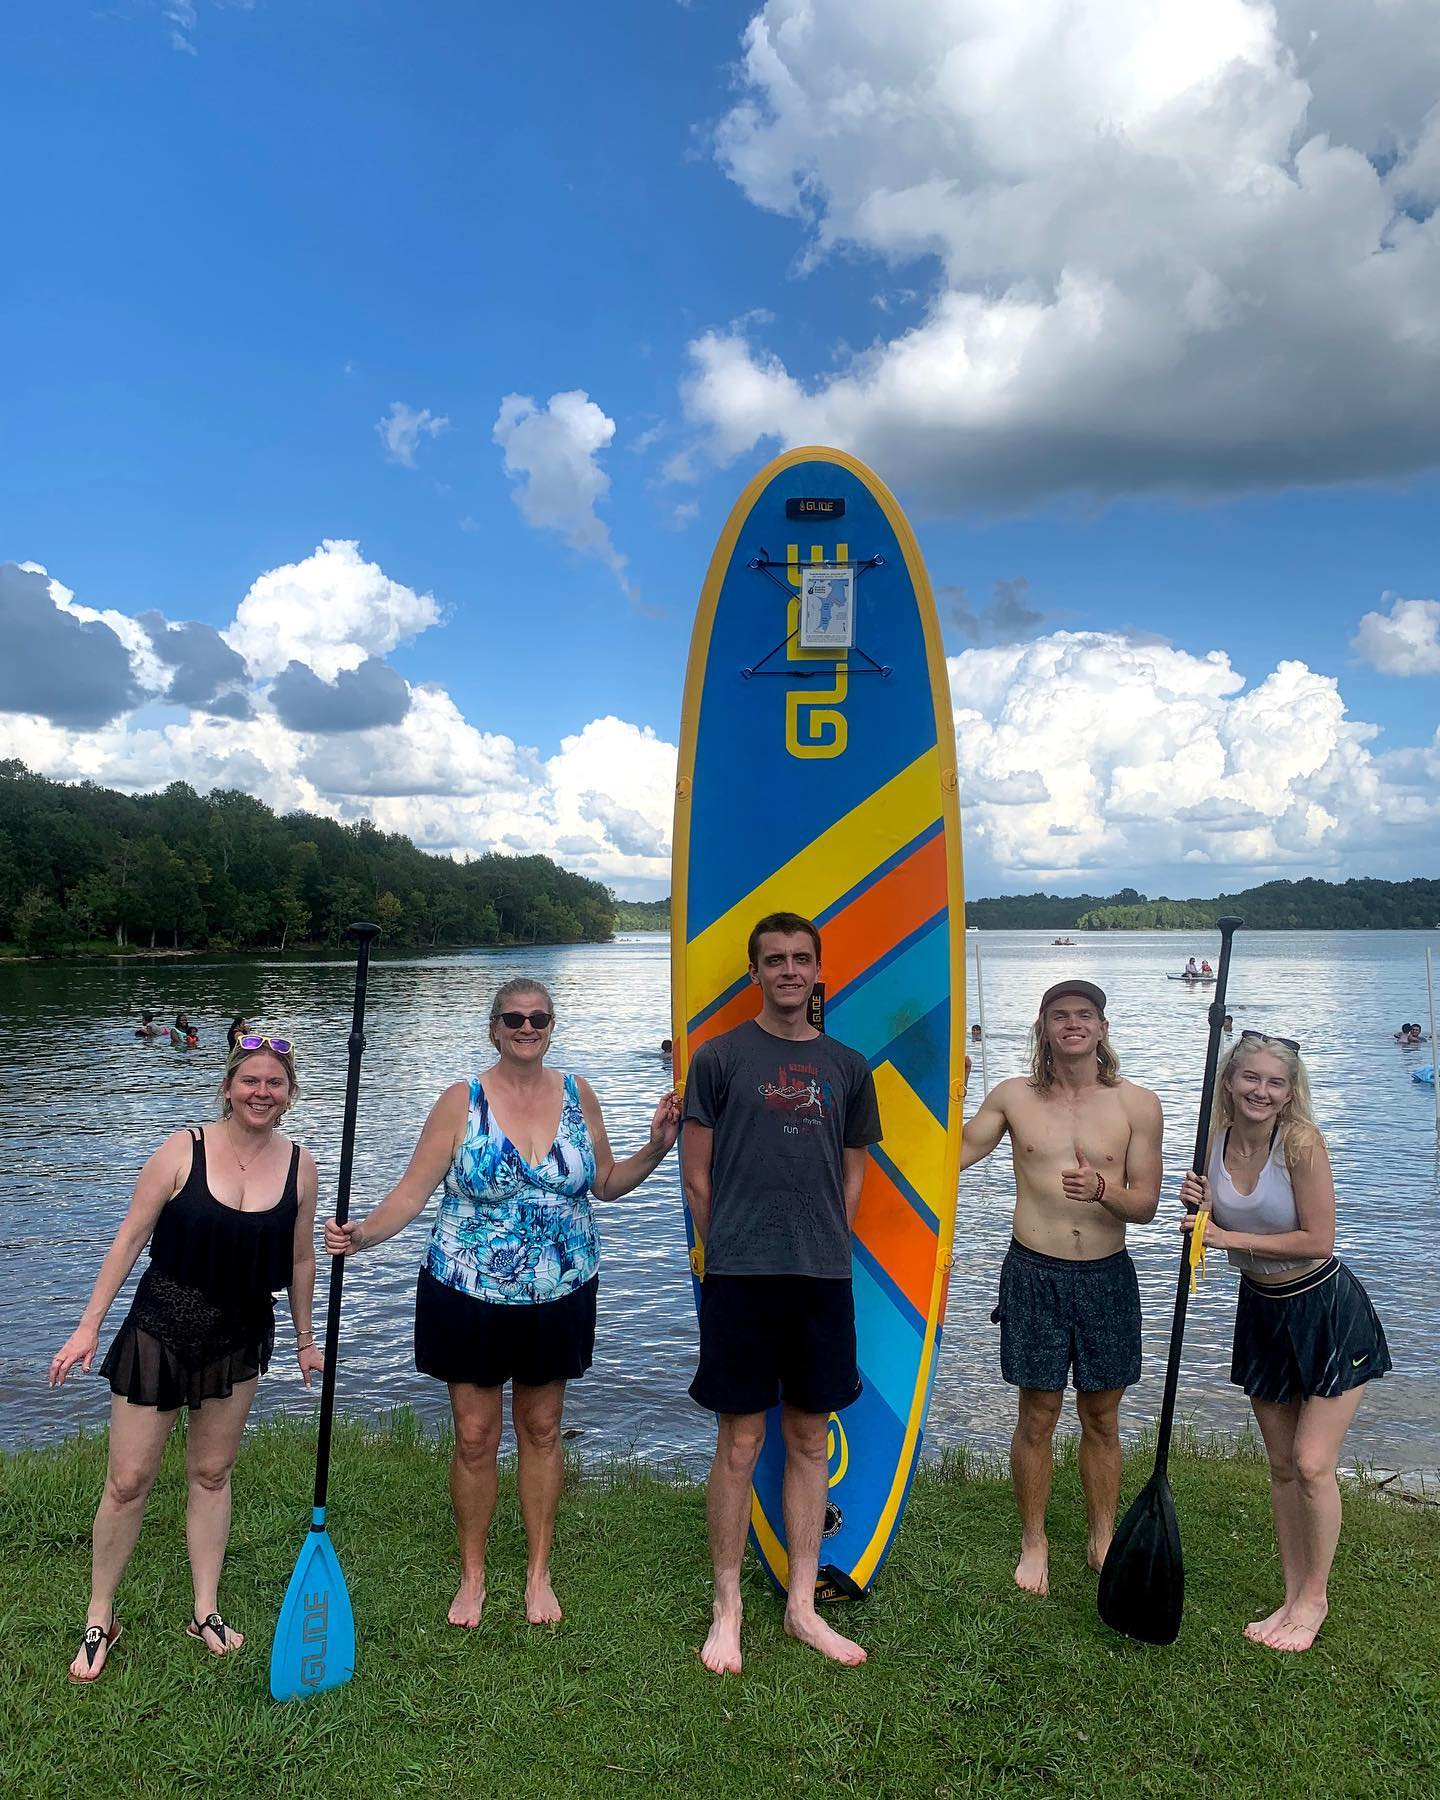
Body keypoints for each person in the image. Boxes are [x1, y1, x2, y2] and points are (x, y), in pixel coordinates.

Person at [324, 977, 678, 1630]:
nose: (526, 1027)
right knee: (475, 1436)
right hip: (468, 1294)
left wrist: (657, 1145)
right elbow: (411, 1193)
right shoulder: (461, 1101)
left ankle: (538, 1574)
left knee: (542, 1430)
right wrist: (361, 1236)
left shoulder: (579, 1095)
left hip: (561, 1292)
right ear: (494, 1028)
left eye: (538, 1018)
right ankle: (474, 1574)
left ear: (550, 1026)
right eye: (513, 1018)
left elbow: (605, 1183)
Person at [49, 1035, 322, 1680]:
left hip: (239, 1334)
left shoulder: (300, 1165)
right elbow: (129, 1239)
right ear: (229, 1086)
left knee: (212, 1473)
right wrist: (87, 1328)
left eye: (275, 1083)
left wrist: (307, 1339)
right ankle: (99, 1615)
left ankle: (205, 1609)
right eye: (251, 1080)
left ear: (289, 1094)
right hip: (160, 1329)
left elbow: (301, 1258)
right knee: (128, 1481)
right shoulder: (182, 1150)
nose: (262, 1092)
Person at [680, 911, 882, 1675]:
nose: (789, 970)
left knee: (806, 1437)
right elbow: (696, 1174)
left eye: (801, 959)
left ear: (817, 970)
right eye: (775, 960)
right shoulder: (720, 1059)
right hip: (740, 1275)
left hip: (821, 1276)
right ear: (756, 972)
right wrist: (727, 1244)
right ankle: (726, 1609)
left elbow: (855, 1167)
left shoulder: (848, 1066)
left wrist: (832, 1233)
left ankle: (801, 1606)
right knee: (739, 1441)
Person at [1180, 1030, 1391, 1653]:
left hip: (1325, 1309)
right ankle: (1292, 1594)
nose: (1262, 1092)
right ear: (1229, 1082)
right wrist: (1199, 1210)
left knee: (1311, 1463)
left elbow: (1317, 1239)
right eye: (1252, 1079)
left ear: (1290, 1091)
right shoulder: (1210, 1144)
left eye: (1276, 1083)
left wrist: (1223, 1238)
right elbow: (1208, 1225)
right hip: (1263, 1312)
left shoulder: (1299, 1144)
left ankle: (1315, 1601)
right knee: (1279, 1466)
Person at [958, 980, 1163, 1597]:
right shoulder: (1014, 1098)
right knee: (1038, 1412)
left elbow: (1147, 1205)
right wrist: (951, 1096)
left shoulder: (1137, 1105)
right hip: (1034, 1272)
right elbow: (951, 1157)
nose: (1073, 1024)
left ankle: (1102, 1536)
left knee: (1102, 1414)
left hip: (1106, 1276)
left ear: (1102, 1028)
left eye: (1084, 1015)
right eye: (1059, 1016)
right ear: (1043, 1028)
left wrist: (1103, 1191)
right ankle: (1034, 1540)